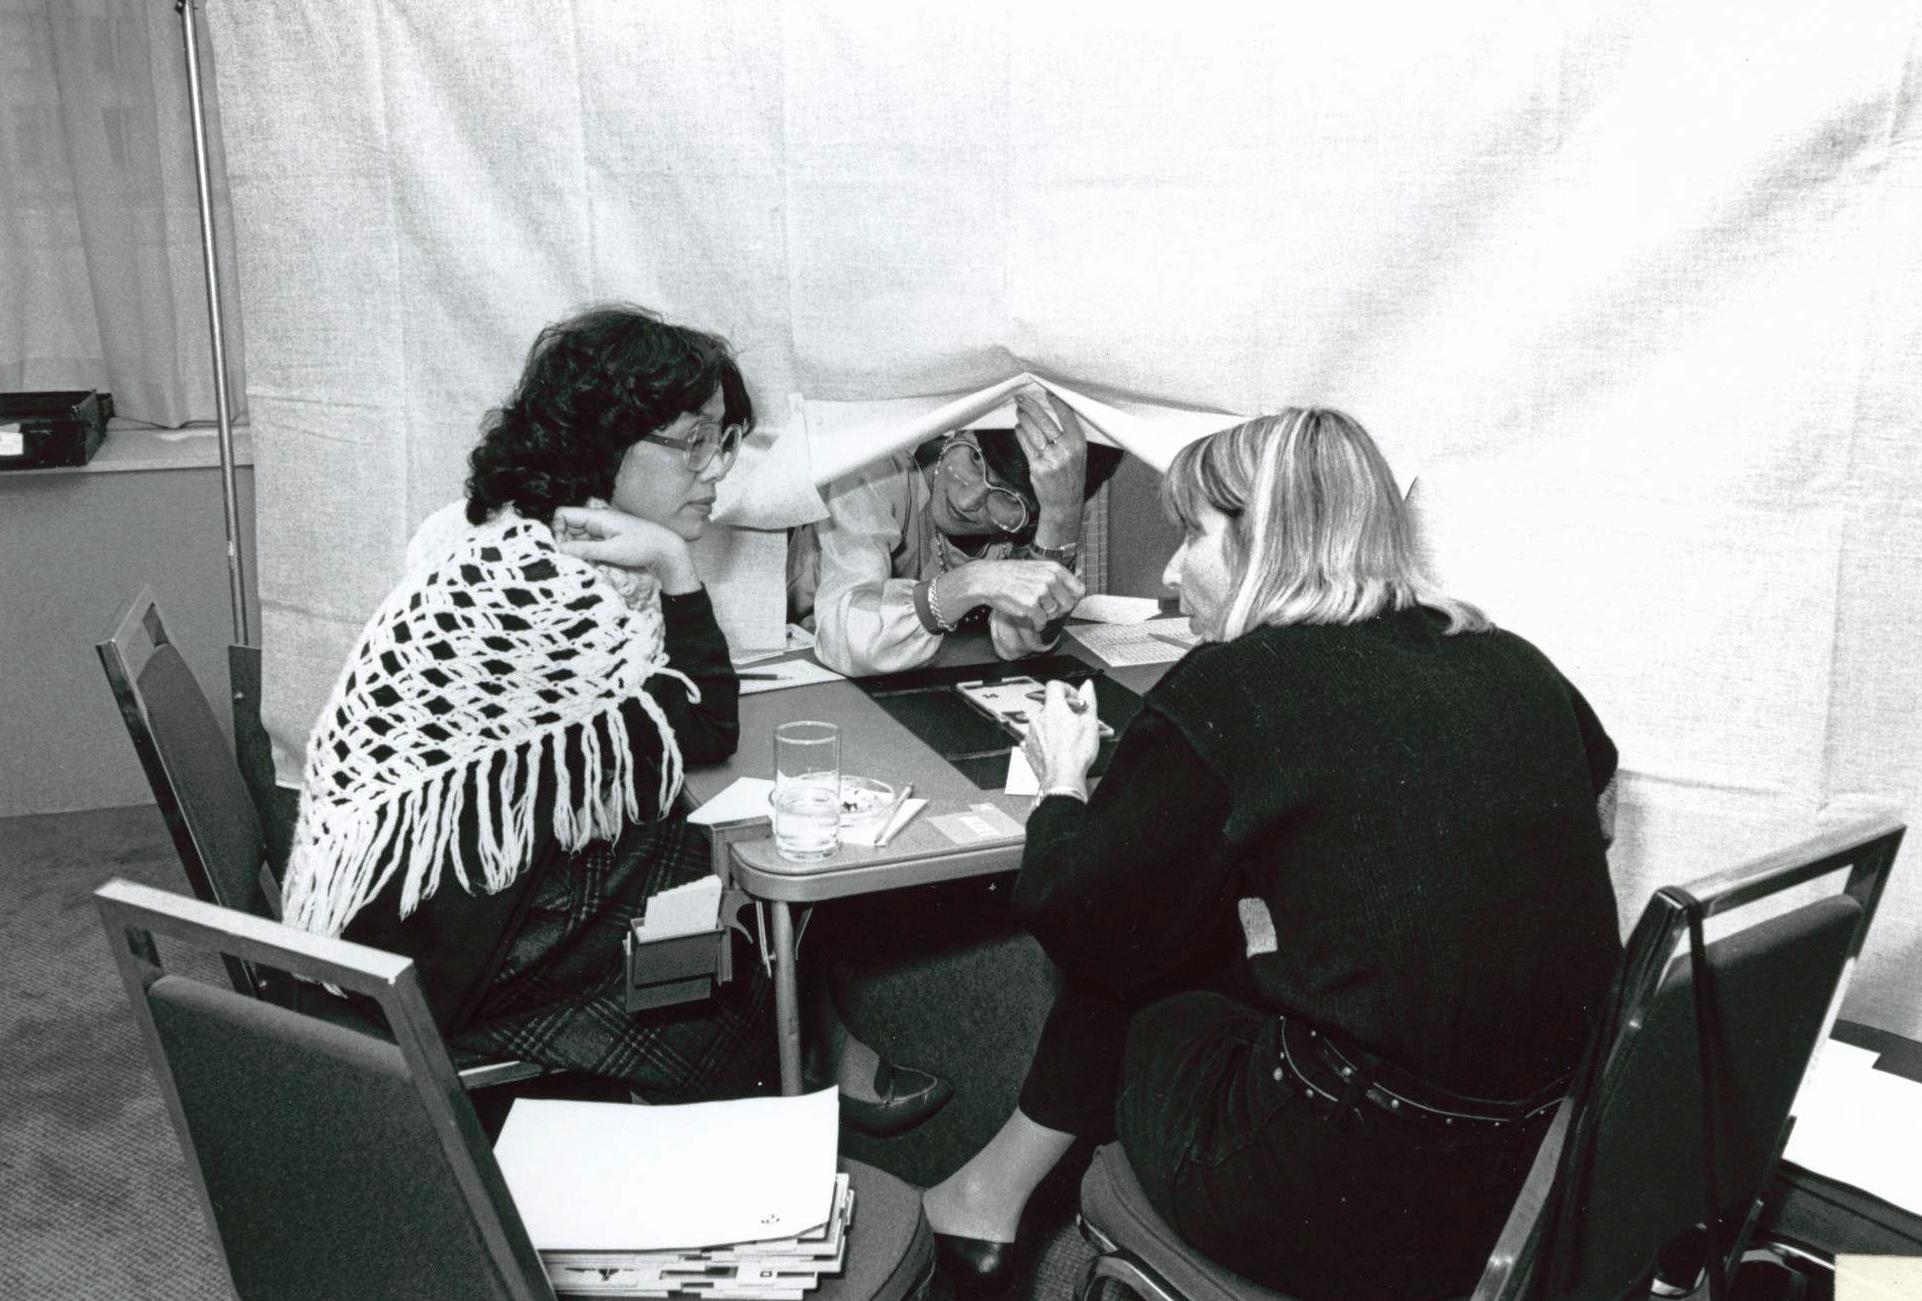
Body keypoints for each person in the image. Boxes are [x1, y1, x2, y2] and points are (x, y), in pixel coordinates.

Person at [923, 408, 1622, 1300]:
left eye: (1191, 534)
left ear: (1266, 540)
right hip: (1530, 1175)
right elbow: (1593, 783)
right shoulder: (1510, 658)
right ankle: (990, 1190)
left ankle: (988, 1192)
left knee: (1145, 964)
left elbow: (1077, 918)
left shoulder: (1236, 685)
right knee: (1197, 920)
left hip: (1334, 1187)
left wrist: (1059, 787)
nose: (1173, 573)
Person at [280, 305, 947, 1127]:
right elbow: (702, 724)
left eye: (723, 441)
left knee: (709, 863)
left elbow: (669, 716)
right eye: (690, 442)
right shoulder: (544, 581)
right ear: (602, 440)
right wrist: (676, 563)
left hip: (446, 897)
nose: (714, 471)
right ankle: (752, 1134)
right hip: (430, 949)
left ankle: (795, 1067)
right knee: (721, 907)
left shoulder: (537, 537)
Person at [789, 393, 1125, 676]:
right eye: (974, 459)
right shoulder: (877, 468)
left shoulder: (1047, 509)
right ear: (957, 431)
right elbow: (846, 637)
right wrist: (972, 581)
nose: (966, 500)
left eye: (1007, 498)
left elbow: (1015, 643)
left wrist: (1061, 517)